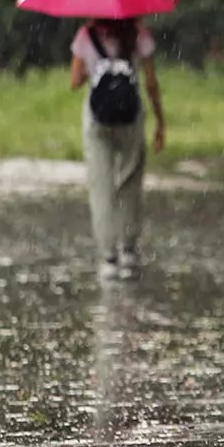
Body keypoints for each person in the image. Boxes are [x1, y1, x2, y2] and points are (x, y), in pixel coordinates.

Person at [70, 18, 166, 282]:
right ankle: (129, 249)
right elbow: (151, 84)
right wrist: (160, 121)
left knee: (101, 186)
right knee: (130, 181)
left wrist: (97, 68)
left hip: (97, 119)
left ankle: (108, 257)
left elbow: (75, 81)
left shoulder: (85, 36)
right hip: (130, 118)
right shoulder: (138, 35)